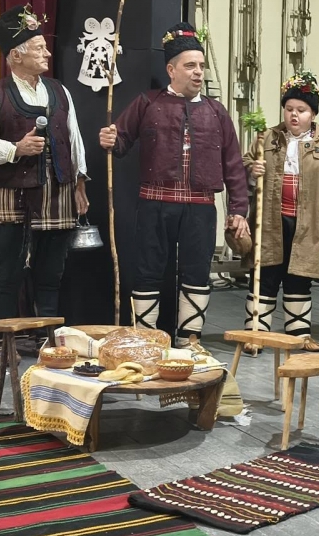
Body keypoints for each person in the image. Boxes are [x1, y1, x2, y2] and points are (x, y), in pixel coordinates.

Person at [99, 22, 249, 345]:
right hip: (154, 204)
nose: (198, 73)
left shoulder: (217, 112)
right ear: (171, 69)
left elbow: (234, 164)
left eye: (201, 66)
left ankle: (189, 340)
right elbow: (120, 141)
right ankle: (144, 339)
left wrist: (239, 210)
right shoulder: (147, 103)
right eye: (190, 66)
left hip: (200, 207)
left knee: (197, 272)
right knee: (148, 270)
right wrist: (111, 139)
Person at [0, 5, 88, 326]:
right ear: (15, 56)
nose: (47, 53)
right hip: (14, 195)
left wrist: (80, 183)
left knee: (51, 272)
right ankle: (4, 338)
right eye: (39, 48)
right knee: (7, 271)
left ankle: (46, 338)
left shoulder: (60, 91)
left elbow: (74, 139)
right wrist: (15, 149)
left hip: (59, 192)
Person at [241, 71, 319, 353]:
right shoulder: (266, 139)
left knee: (299, 276)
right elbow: (243, 168)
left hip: (308, 224)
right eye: (289, 109)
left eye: (301, 110)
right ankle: (255, 334)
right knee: (265, 274)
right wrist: (252, 169)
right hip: (271, 222)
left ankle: (299, 335)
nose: (294, 115)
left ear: (313, 114)